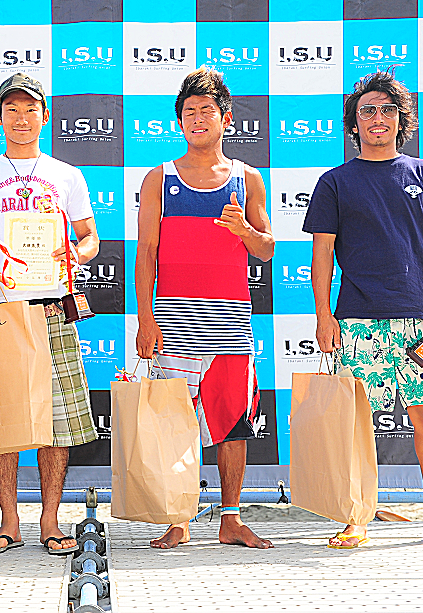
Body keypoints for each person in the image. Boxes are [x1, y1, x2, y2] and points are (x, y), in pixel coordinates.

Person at [303, 70, 423, 549]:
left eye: (387, 109)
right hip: (356, 319)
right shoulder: (334, 182)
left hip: (421, 320)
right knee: (355, 424)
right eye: (368, 110)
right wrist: (323, 316)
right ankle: (357, 517)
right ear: (354, 123)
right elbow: (322, 255)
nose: (378, 117)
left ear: (402, 119)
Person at [0, 73, 99, 556]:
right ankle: (9, 521)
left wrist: (75, 254)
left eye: (30, 108)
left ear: (45, 116)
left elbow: (91, 238)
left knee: (59, 421)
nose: (21, 118)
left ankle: (50, 520)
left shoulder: (67, 175)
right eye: (11, 109)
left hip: (54, 307)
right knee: (2, 419)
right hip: (0, 309)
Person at [134, 67, 275, 550]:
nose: (198, 119)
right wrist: (146, 319)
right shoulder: (159, 178)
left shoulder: (247, 178)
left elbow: (267, 249)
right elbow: (146, 253)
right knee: (176, 425)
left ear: (226, 118)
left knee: (233, 424)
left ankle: (231, 518)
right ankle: (179, 517)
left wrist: (243, 230)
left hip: (229, 322)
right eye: (189, 111)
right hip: (171, 318)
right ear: (179, 121)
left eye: (207, 110)